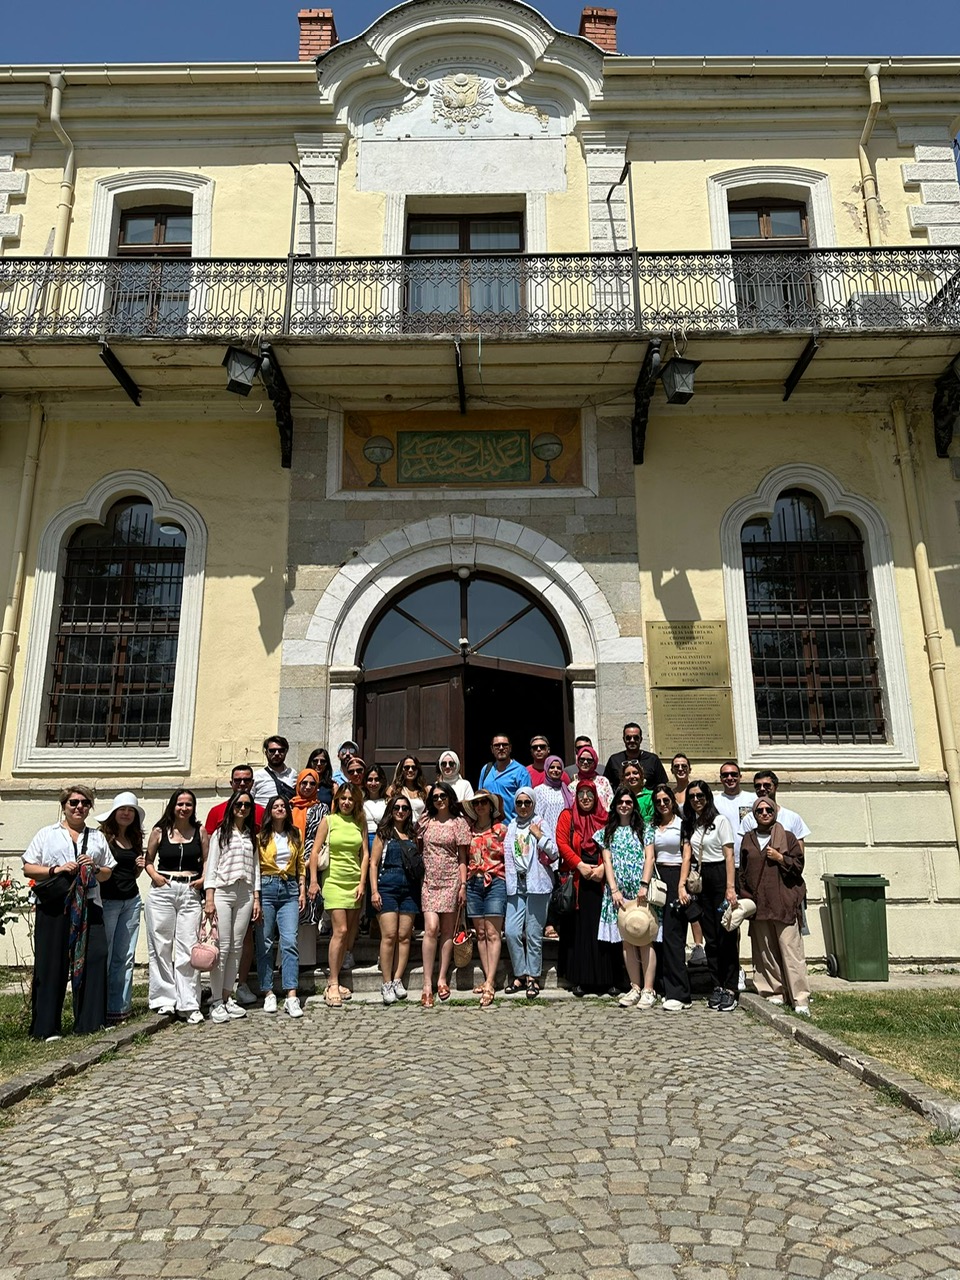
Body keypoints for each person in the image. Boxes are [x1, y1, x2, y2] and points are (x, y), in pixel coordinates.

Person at [22, 785, 116, 1041]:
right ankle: (46, 1027)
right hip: (55, 906)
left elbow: (108, 872)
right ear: (64, 805)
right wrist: (56, 870)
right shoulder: (47, 834)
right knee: (51, 963)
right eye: (74, 802)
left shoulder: (96, 837)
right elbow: (28, 867)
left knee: (96, 958)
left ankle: (90, 1021)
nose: (79, 807)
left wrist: (94, 868)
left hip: (89, 905)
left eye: (85, 803)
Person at [738, 797, 811, 1015]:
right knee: (765, 952)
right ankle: (773, 992)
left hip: (783, 902)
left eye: (768, 809)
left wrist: (780, 857)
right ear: (753, 814)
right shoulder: (748, 839)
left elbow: (798, 866)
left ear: (774, 812)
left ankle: (800, 998)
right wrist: (746, 897)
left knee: (791, 951)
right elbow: (743, 871)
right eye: (759, 810)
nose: (764, 813)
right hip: (760, 904)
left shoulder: (787, 837)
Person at [145, 789, 208, 1024]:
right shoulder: (159, 831)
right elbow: (148, 859)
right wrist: (156, 876)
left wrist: (202, 880)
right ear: (173, 806)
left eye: (188, 804)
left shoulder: (200, 831)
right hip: (164, 890)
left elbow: (207, 858)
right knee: (160, 944)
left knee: (188, 946)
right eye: (180, 804)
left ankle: (189, 1002)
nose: (184, 808)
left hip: (190, 891)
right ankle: (164, 999)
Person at [205, 765, 264, 1006]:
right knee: (224, 946)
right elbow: (211, 865)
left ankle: (228, 996)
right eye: (238, 805)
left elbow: (256, 867)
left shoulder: (251, 835)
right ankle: (217, 998)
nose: (242, 809)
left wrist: (257, 897)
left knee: (238, 947)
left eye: (246, 806)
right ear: (232, 807)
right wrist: (209, 897)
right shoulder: (221, 833)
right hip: (224, 891)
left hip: (245, 892)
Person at [556, 781, 620, 997]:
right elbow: (562, 843)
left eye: (589, 794)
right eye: (581, 793)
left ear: (596, 796)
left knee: (605, 929)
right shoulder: (568, 816)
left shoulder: (606, 818)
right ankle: (582, 980)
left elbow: (612, 844)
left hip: (602, 879)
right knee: (581, 931)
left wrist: (603, 868)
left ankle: (608, 979)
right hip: (579, 879)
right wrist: (579, 865)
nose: (584, 798)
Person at [679, 780, 738, 1012]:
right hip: (702, 879)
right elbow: (687, 855)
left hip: (720, 875)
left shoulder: (720, 821)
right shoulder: (692, 824)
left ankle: (731, 987)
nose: (696, 800)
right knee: (711, 939)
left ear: (708, 797)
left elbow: (730, 855)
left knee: (726, 935)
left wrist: (730, 887)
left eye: (700, 796)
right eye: (692, 797)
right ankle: (717, 985)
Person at [597, 787, 657, 1008]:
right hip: (619, 894)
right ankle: (635, 986)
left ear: (634, 805)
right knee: (628, 938)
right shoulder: (607, 832)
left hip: (640, 891)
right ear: (615, 805)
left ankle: (649, 989)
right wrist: (614, 890)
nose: (624, 805)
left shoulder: (645, 829)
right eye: (620, 802)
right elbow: (607, 862)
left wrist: (644, 884)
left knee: (645, 936)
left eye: (628, 802)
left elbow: (649, 857)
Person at [309, 783, 367, 1009]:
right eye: (343, 798)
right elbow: (315, 850)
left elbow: (365, 855)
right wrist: (314, 881)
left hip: (354, 882)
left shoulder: (359, 822)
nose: (346, 802)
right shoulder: (329, 820)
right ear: (337, 800)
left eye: (350, 799)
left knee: (349, 934)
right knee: (340, 931)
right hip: (333, 881)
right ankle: (332, 983)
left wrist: (362, 883)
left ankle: (338, 978)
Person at [95, 790, 146, 1025]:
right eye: (122, 810)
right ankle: (99, 1007)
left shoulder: (134, 839)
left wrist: (139, 866)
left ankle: (120, 1009)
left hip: (131, 900)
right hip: (108, 900)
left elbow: (131, 874)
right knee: (106, 955)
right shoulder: (101, 838)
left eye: (131, 811)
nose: (126, 814)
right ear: (114, 813)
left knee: (125, 956)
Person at [418, 781, 471, 1006]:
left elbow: (462, 858)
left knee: (448, 931)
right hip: (430, 881)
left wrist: (463, 885)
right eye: (435, 797)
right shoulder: (425, 821)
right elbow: (418, 846)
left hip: (451, 880)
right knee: (431, 929)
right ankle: (426, 983)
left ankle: (441, 979)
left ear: (450, 798)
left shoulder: (459, 823)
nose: (439, 800)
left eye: (442, 796)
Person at [502, 786, 558, 1000]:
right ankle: (520, 973)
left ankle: (533, 976)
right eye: (519, 803)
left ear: (533, 803)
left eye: (527, 802)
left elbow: (554, 852)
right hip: (517, 885)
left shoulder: (541, 823)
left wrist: (540, 837)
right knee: (513, 931)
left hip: (537, 885)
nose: (523, 806)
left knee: (533, 934)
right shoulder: (512, 826)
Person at [255, 795, 306, 1018]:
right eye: (275, 806)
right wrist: (256, 897)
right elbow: (255, 867)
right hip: (266, 887)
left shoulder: (295, 835)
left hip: (290, 889)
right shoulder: (260, 837)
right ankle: (268, 992)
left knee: (289, 941)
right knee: (264, 942)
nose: (279, 809)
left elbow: (301, 864)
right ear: (270, 811)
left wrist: (302, 889)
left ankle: (291, 994)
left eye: (283, 806)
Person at [642, 785, 691, 1011]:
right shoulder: (652, 826)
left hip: (675, 877)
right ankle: (663, 986)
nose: (662, 804)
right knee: (657, 935)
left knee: (674, 936)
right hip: (657, 880)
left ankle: (679, 994)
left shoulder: (682, 825)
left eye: (665, 800)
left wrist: (681, 885)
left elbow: (687, 856)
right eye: (658, 801)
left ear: (672, 801)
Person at [369, 795, 420, 1004]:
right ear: (391, 810)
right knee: (389, 935)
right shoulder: (384, 833)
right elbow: (373, 863)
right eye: (397, 807)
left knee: (404, 936)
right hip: (387, 885)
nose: (401, 811)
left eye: (405, 808)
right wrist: (374, 891)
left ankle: (398, 978)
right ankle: (386, 981)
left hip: (409, 887)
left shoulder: (413, 834)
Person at [462, 790, 507, 1008]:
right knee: (480, 933)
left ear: (490, 806)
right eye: (476, 803)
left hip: (495, 882)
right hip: (473, 883)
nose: (480, 806)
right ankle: (490, 977)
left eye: (483, 803)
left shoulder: (501, 830)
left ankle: (489, 982)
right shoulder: (468, 830)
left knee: (492, 932)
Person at [739, 771, 811, 851]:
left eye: (767, 785)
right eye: (758, 786)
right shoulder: (748, 819)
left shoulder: (792, 817)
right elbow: (744, 851)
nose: (762, 789)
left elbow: (799, 856)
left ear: (776, 786)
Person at [602, 722, 668, 793]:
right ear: (624, 739)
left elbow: (661, 785)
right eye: (628, 738)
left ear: (641, 739)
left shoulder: (652, 759)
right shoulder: (614, 760)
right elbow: (606, 786)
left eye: (636, 737)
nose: (632, 740)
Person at [478, 734, 530, 822]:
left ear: (510, 748)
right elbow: (479, 797)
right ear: (492, 749)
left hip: (511, 827)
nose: (501, 748)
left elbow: (527, 802)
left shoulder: (521, 772)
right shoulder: (486, 769)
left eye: (505, 745)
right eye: (497, 745)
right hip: (489, 828)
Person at [204, 763, 265, 834]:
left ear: (252, 783)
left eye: (247, 780)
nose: (242, 783)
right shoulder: (216, 811)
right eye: (237, 780)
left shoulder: (262, 812)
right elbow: (208, 840)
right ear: (231, 783)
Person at [713, 761, 752, 871]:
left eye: (734, 774)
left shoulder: (752, 799)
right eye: (725, 775)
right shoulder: (714, 802)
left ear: (740, 777)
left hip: (749, 861)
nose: (730, 778)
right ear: (720, 778)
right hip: (723, 862)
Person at [533, 754, 573, 841]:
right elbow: (537, 817)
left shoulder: (566, 789)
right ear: (546, 769)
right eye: (552, 767)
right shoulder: (539, 790)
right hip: (547, 837)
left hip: (565, 836)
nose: (555, 770)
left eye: (558, 768)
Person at [253, 735, 297, 806]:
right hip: (263, 816)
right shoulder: (256, 776)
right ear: (266, 752)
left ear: (286, 752)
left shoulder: (293, 774)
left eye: (281, 750)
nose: (276, 753)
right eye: (272, 751)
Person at [388, 755, 429, 824]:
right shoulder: (393, 789)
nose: (410, 770)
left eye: (414, 768)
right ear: (402, 770)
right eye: (407, 768)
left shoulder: (424, 790)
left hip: (420, 829)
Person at [574, 743, 614, 812]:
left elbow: (611, 804)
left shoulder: (603, 782)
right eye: (582, 759)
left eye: (589, 760)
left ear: (594, 762)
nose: (585, 762)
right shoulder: (572, 786)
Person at [619, 760, 654, 826]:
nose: (631, 776)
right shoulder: (619, 798)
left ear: (641, 775)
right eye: (627, 774)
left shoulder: (651, 796)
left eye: (635, 773)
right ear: (623, 779)